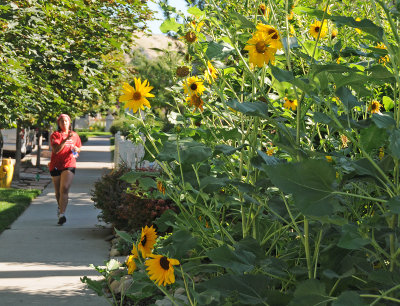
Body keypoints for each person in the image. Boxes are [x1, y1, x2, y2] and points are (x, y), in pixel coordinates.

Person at [49, 114, 82, 225]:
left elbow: (78, 148)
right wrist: (65, 140)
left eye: (66, 121)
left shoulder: (75, 135)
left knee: (65, 188)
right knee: (58, 192)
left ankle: (62, 215)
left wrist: (77, 149)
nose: (64, 123)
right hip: (56, 165)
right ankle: (60, 208)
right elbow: (56, 150)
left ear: (69, 123)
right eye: (62, 121)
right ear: (58, 123)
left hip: (69, 163)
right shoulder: (55, 135)